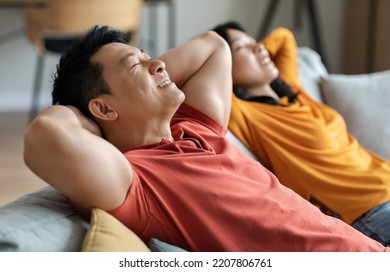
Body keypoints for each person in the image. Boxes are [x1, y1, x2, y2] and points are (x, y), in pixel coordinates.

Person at [23, 25, 389, 252]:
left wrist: (145, 79)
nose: (160, 65)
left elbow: (214, 45)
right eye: (137, 66)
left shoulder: (195, 129)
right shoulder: (136, 180)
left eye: (150, 57)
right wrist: (94, 120)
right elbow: (45, 134)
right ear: (102, 110)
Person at [212, 21, 390, 246]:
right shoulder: (243, 111)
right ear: (224, 66)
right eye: (241, 48)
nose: (259, 48)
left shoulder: (293, 93)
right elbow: (199, 72)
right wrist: (225, 53)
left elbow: (284, 37)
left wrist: (252, 51)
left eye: (255, 43)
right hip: (368, 211)